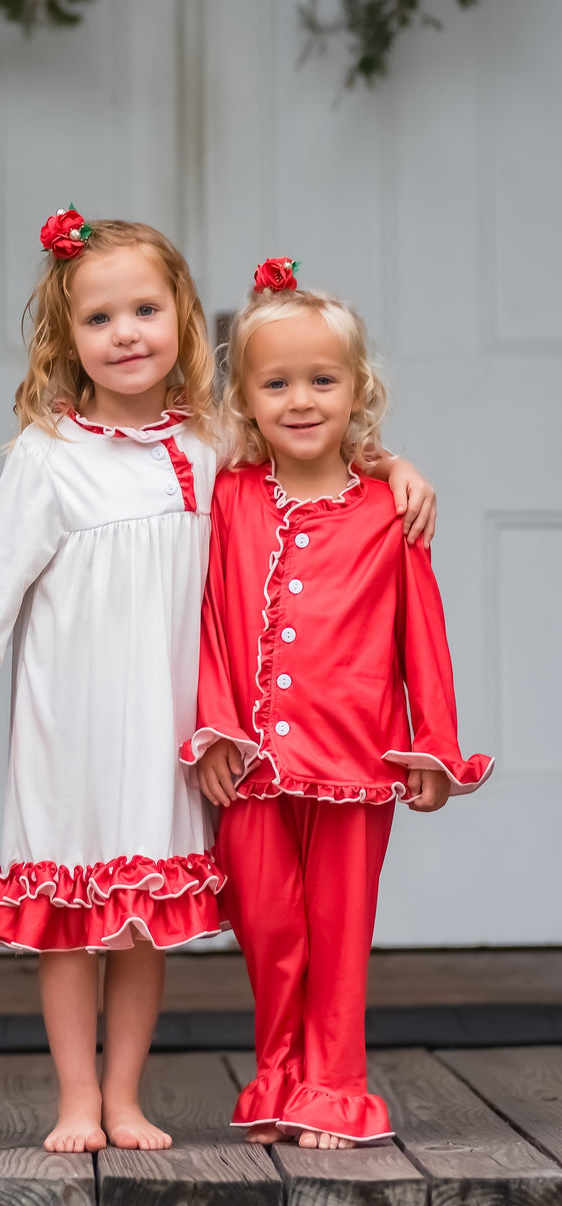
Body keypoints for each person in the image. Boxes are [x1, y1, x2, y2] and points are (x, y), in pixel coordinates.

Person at [0, 215, 435, 1154]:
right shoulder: (49, 455)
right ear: (68, 338)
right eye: (100, 318)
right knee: (69, 921)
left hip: (173, 726)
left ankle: (126, 1096)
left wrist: (392, 464)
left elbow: (309, 456)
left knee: (141, 920)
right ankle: (76, 1100)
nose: (126, 333)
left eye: (144, 309)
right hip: (70, 723)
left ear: (181, 316)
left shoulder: (213, 443)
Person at [184, 258, 493, 1150]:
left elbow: (422, 634)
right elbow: (205, 622)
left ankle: (333, 1086)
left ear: (359, 389)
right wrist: (213, 727)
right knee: (269, 927)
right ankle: (278, 1077)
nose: (301, 400)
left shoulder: (390, 510)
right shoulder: (227, 499)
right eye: (276, 383)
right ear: (245, 400)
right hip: (250, 758)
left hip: (358, 757)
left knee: (339, 931)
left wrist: (436, 741)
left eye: (323, 380)